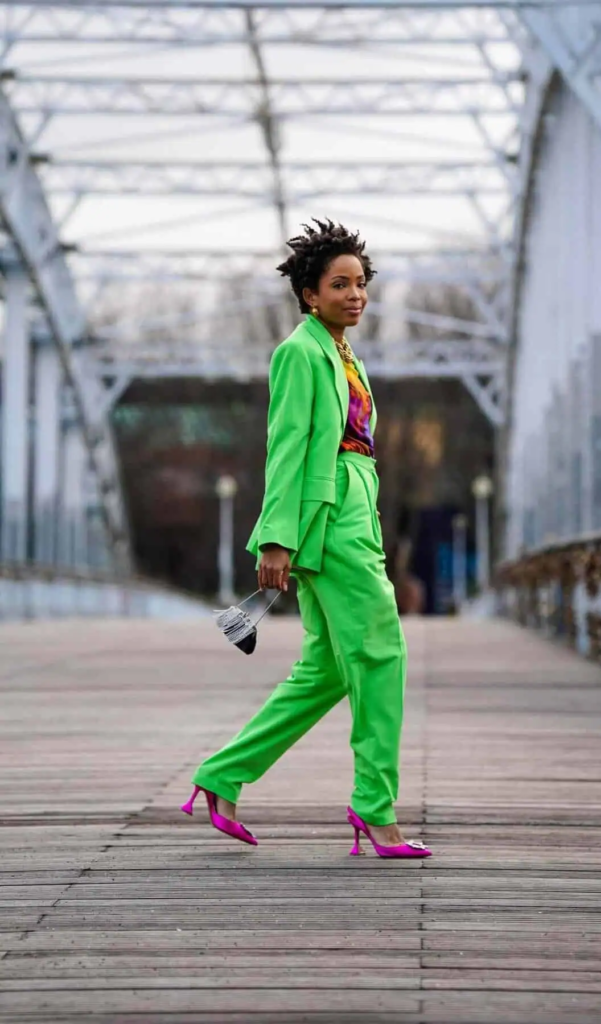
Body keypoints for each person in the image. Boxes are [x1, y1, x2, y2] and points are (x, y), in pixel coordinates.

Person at [182, 219, 431, 859]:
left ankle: (223, 774)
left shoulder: (343, 352)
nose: (356, 295)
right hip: (331, 517)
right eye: (339, 285)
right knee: (381, 653)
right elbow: (287, 447)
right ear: (309, 294)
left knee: (325, 670)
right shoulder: (300, 351)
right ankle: (375, 807)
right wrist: (276, 538)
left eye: (361, 283)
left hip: (354, 506)